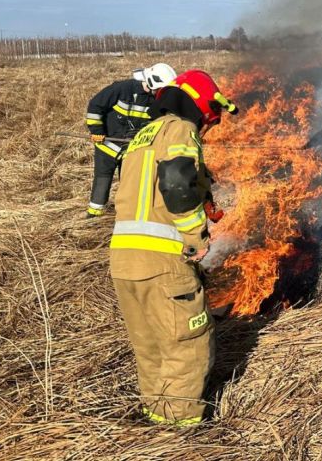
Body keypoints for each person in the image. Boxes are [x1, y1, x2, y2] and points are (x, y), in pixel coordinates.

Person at [109, 69, 237, 425]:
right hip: (163, 261)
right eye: (209, 121)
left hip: (124, 260)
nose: (207, 131)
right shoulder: (182, 129)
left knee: (151, 349)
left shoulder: (143, 135)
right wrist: (196, 236)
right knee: (189, 346)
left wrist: (205, 188)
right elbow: (177, 182)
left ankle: (156, 420)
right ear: (200, 107)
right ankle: (180, 433)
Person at [84, 64, 177, 217]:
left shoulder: (157, 100)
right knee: (103, 178)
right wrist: (97, 131)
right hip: (107, 144)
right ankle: (94, 214)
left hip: (132, 148)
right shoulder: (122, 89)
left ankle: (125, 214)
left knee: (129, 183)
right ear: (154, 82)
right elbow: (95, 106)